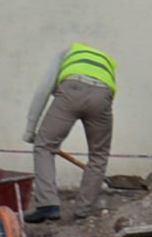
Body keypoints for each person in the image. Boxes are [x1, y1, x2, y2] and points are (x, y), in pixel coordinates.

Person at [24, 40, 116, 223]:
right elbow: (109, 91)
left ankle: (47, 204)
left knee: (44, 146)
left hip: (72, 88)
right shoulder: (107, 60)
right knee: (99, 155)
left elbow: (43, 90)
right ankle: (83, 212)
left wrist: (30, 129)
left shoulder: (66, 53)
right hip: (103, 95)